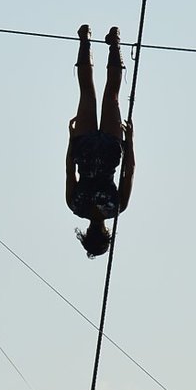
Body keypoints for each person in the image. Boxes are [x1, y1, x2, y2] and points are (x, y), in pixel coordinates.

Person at [66, 24, 135, 258]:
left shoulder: (116, 208)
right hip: (85, 148)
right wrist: (71, 141)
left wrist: (130, 142)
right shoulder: (75, 206)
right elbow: (69, 170)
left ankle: (114, 42)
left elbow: (129, 171)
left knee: (111, 94)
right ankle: (85, 40)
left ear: (106, 234)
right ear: (87, 234)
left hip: (108, 149)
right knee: (87, 92)